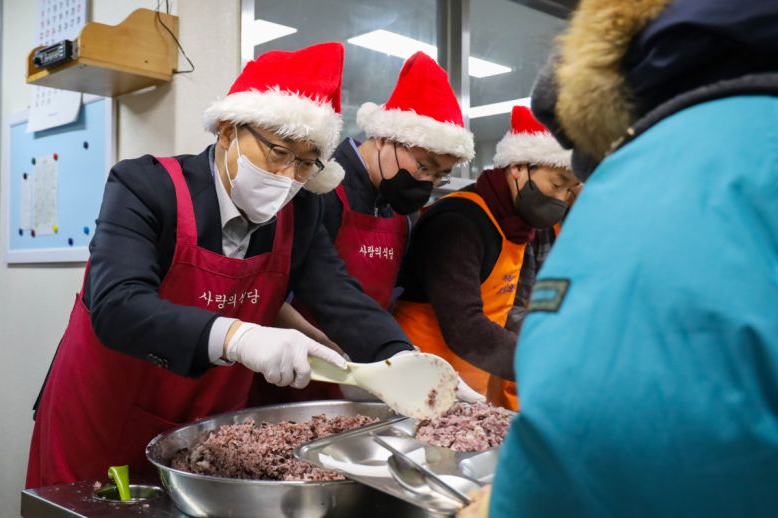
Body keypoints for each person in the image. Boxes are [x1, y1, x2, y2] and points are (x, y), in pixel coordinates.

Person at [26, 42, 422, 488]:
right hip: (102, 421)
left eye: (306, 164)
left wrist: (403, 359)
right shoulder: (145, 187)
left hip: (205, 435)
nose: (289, 177)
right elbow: (118, 304)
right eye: (278, 152)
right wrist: (238, 335)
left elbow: (339, 295)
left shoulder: (301, 214)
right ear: (230, 132)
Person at [489, 0, 778, 515]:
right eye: (560, 183)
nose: (569, 194)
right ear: (518, 171)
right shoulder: (465, 217)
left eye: (572, 184)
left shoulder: (639, 179)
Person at [393, 106, 578, 410]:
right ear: (518, 166)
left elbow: (504, 312)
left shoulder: (518, 226)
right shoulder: (458, 221)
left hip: (467, 387)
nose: (561, 199)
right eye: (557, 184)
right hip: (417, 380)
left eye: (569, 191)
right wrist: (545, 365)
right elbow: (465, 327)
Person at [320, 51, 474, 310]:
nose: (426, 182)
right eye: (424, 166)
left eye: (439, 177)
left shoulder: (401, 211)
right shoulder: (325, 189)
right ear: (383, 138)